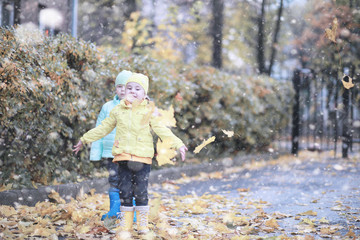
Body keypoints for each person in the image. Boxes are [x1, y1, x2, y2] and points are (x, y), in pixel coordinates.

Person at [73, 73, 188, 234]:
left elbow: (161, 130)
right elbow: (104, 128)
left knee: (141, 191)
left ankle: (142, 224)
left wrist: (179, 144)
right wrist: (85, 139)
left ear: (144, 93)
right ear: (124, 91)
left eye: (137, 89)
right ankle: (126, 225)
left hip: (143, 159)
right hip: (123, 157)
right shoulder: (117, 110)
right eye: (129, 88)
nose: (133, 91)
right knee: (124, 191)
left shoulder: (149, 111)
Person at [90, 70, 133, 221]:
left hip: (130, 153)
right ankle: (114, 210)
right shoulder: (107, 107)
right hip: (111, 153)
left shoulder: (136, 107)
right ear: (115, 88)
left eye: (126, 87)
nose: (122, 90)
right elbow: (99, 129)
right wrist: (96, 153)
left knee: (129, 181)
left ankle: (129, 212)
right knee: (114, 180)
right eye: (119, 86)